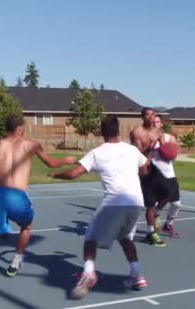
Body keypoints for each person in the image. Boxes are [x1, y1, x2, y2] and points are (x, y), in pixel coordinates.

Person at [0, 115, 78, 308]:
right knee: (26, 226)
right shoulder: (31, 144)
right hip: (18, 195)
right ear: (20, 129)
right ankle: (16, 261)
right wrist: (68, 159)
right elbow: (52, 164)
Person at [49, 115, 148, 300]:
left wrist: (56, 175)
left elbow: (73, 174)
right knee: (125, 238)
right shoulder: (132, 150)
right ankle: (136, 274)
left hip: (114, 202)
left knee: (90, 239)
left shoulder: (97, 153)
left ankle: (88, 273)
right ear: (119, 130)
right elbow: (145, 168)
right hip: (136, 202)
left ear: (101, 132)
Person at [130, 108, 167, 246]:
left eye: (153, 115)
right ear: (143, 117)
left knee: (169, 192)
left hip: (154, 168)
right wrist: (151, 148)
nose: (151, 117)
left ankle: (156, 215)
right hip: (140, 169)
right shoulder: (137, 132)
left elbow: (164, 151)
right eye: (148, 115)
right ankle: (150, 233)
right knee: (145, 204)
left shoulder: (158, 132)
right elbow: (138, 153)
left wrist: (168, 149)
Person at [150, 115, 182, 238]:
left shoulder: (170, 137)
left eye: (157, 122)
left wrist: (161, 140)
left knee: (176, 204)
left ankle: (167, 224)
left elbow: (171, 155)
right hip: (153, 175)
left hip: (169, 175)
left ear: (161, 124)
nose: (154, 124)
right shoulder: (146, 138)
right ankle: (150, 230)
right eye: (153, 122)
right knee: (152, 202)